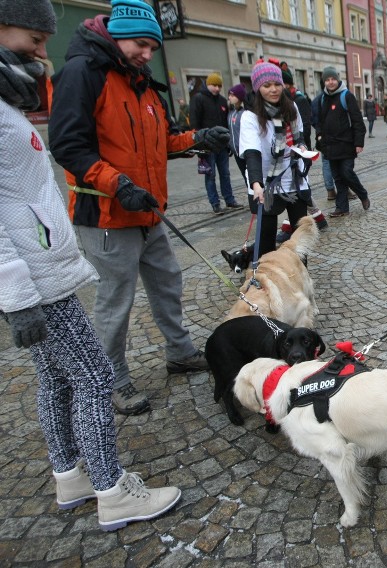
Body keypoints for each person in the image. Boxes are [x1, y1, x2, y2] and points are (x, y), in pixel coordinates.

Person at [0, 0, 182, 530]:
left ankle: (70, 476)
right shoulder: (82, 74)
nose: (42, 53)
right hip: (40, 271)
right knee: (95, 378)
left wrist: (192, 142)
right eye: (34, 40)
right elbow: (66, 152)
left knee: (57, 380)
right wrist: (13, 294)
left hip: (46, 265)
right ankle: (111, 489)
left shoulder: (15, 96)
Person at [49, 0, 228, 415]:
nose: (147, 54)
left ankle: (180, 353)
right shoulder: (83, 73)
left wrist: (199, 137)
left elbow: (163, 141)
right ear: (116, 35)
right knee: (116, 301)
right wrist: (117, 184)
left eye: (153, 47)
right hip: (108, 215)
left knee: (168, 283)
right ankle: (111, 379)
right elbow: (67, 145)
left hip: (148, 212)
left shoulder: (142, 82)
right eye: (140, 45)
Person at [239, 60, 309, 257]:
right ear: (257, 87)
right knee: (266, 241)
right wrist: (256, 183)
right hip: (266, 181)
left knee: (299, 238)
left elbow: (300, 136)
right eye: (267, 85)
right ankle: (267, 279)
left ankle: (298, 279)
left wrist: (303, 148)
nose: (273, 90)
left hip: (293, 177)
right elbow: (251, 152)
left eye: (277, 84)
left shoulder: (291, 107)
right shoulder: (250, 116)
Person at [316, 66, 370, 218]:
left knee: (346, 172)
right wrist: (319, 136)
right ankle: (342, 208)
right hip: (330, 146)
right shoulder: (323, 98)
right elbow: (319, 120)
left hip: (346, 144)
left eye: (333, 79)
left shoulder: (347, 96)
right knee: (338, 177)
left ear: (338, 79)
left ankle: (362, 194)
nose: (331, 82)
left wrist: (359, 143)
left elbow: (358, 121)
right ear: (324, 81)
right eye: (327, 79)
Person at [191, 71, 240, 213]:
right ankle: (215, 203)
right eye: (214, 85)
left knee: (225, 173)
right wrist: (198, 143)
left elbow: (226, 123)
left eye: (219, 86)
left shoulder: (222, 100)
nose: (217, 88)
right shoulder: (198, 99)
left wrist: (228, 142)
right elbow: (194, 122)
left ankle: (229, 200)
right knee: (210, 175)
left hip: (222, 145)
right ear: (208, 85)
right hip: (207, 146)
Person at [281, 67, 312, 151]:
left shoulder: (299, 99)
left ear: (287, 84)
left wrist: (302, 144)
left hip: (300, 148)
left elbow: (305, 125)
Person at [227, 84, 248, 185]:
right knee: (245, 176)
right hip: (236, 151)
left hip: (245, 151)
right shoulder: (231, 113)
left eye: (232, 95)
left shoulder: (245, 113)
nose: (229, 97)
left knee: (250, 176)